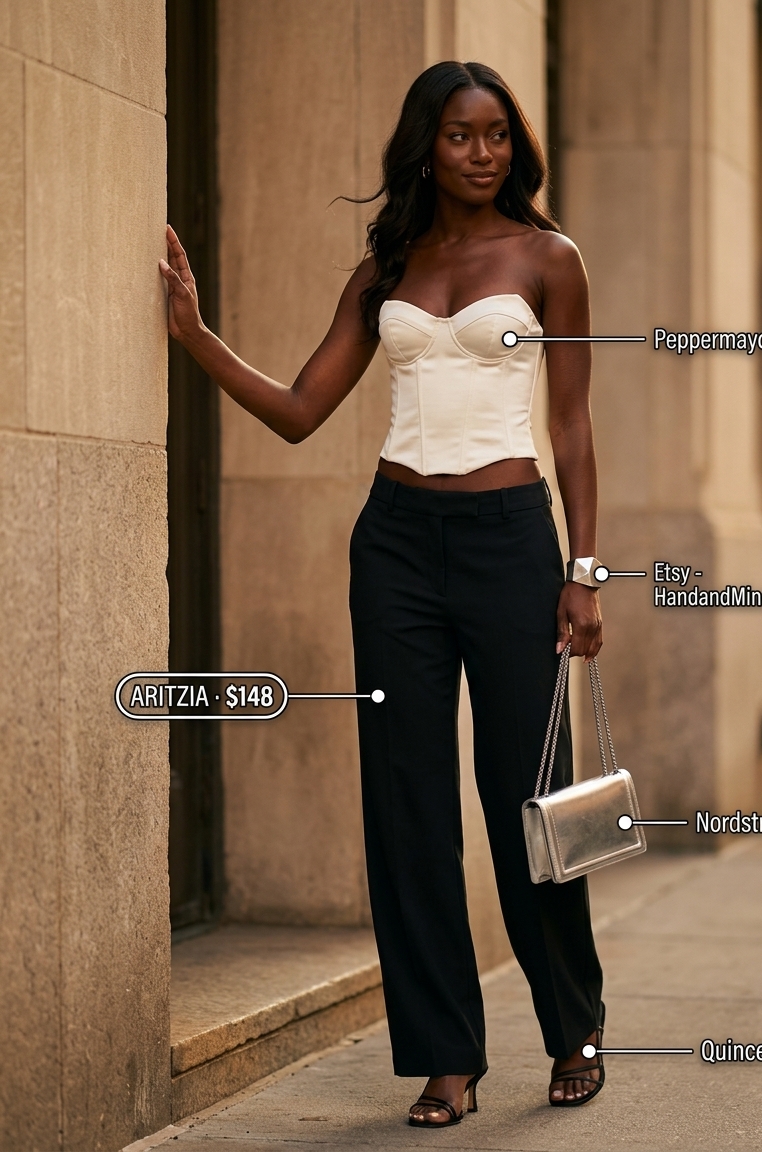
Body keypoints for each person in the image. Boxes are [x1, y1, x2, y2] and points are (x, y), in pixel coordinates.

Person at [160, 59, 606, 1128]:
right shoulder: (385, 269)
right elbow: (303, 407)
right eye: (460, 134)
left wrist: (583, 570)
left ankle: (572, 1027)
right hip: (396, 545)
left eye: (497, 133)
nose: (482, 151)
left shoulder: (551, 259)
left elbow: (575, 426)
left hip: (509, 542)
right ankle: (444, 1055)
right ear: (427, 143)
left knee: (528, 796)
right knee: (407, 806)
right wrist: (196, 335)